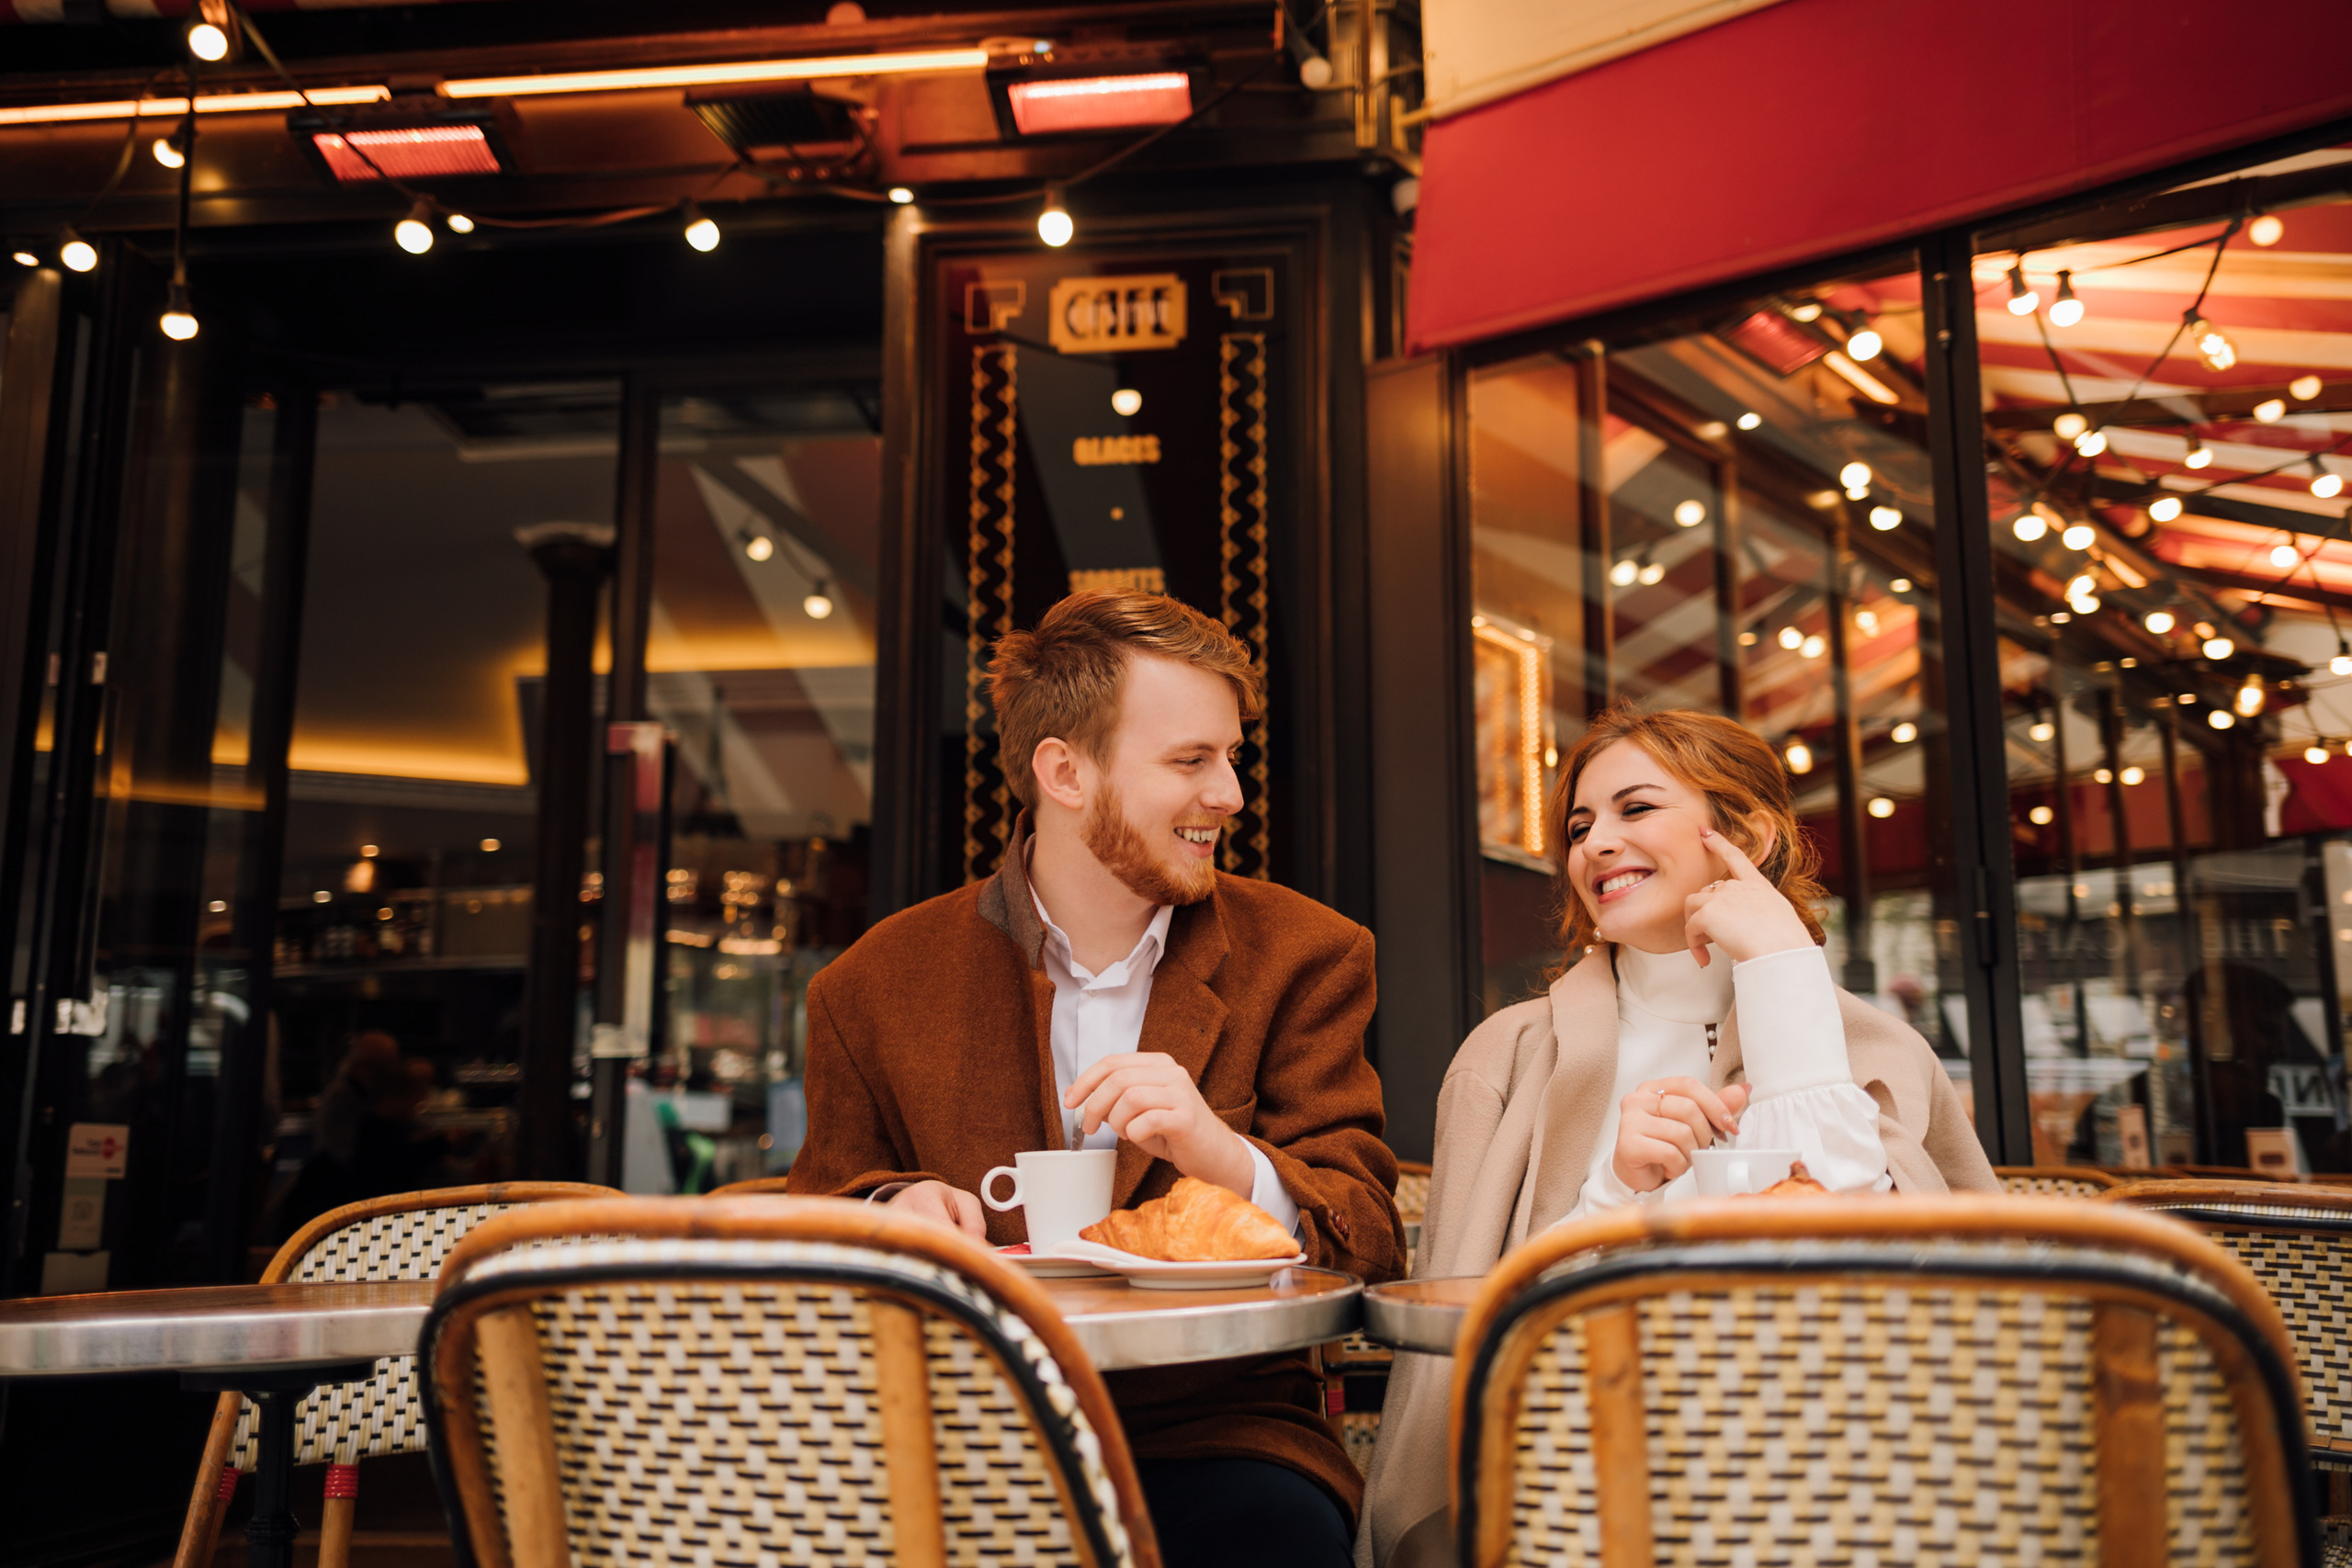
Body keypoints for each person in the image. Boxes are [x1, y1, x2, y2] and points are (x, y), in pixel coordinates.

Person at [792, 591, 1404, 1568]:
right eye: (1189, 761)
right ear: (1063, 772)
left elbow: (1367, 1235)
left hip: (1217, 1425)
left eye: (1231, 757)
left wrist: (1223, 1155)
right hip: (954, 1425)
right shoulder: (866, 986)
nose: (1231, 796)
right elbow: (821, 1215)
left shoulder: (1309, 954)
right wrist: (891, 1206)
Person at [1357, 704, 1996, 1568]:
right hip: (1577, 1471)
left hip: (1833, 1465)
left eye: (1636, 808)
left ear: (1749, 835)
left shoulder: (1881, 1051)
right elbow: (1471, 1336)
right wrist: (1616, 1189)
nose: (1594, 843)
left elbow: (1873, 1288)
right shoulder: (1505, 1059)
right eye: (1580, 826)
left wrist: (1781, 966)